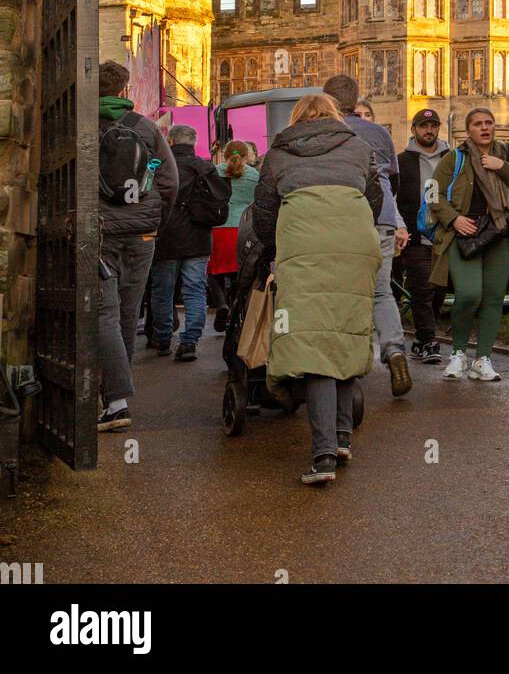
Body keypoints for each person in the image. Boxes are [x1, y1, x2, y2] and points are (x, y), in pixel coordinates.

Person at [252, 93, 382, 486]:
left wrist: (276, 249)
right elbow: (373, 199)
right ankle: (342, 437)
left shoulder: (277, 154)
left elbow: (264, 212)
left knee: (313, 343)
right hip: (356, 243)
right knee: (343, 331)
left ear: (295, 119)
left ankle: (323, 455)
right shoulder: (360, 147)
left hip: (304, 246)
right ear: (334, 115)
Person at [97, 61, 179, 431]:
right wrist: (154, 221)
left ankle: (115, 401)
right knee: (128, 313)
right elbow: (170, 181)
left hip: (100, 232)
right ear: (124, 90)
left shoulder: (84, 125)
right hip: (142, 234)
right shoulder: (145, 127)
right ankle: (119, 396)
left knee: (104, 314)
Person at [431, 108, 509, 382]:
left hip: (500, 234)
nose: (485, 127)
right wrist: (453, 219)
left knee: (493, 299)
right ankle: (457, 354)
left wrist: (503, 167)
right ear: (468, 130)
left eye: (489, 123)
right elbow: (432, 192)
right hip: (464, 236)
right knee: (468, 294)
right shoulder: (454, 158)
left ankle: (483, 358)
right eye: (478, 124)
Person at [323, 75, 412, 398]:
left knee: (340, 291)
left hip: (338, 218)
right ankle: (395, 350)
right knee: (381, 292)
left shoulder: (322, 131)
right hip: (381, 218)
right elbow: (393, 181)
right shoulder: (378, 132)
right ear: (356, 100)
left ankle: (348, 364)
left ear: (327, 100)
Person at [151, 125, 232, 360]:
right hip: (198, 237)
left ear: (171, 141)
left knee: (162, 290)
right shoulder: (205, 167)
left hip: (165, 235)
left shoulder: (160, 164)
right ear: (194, 143)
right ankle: (189, 341)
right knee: (195, 290)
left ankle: (163, 338)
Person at [395, 109, 450, 364]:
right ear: (414, 129)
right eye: (423, 126)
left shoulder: (452, 159)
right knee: (421, 288)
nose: (429, 130)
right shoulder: (402, 161)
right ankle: (428, 341)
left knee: (439, 288)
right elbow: (393, 197)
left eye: (433, 125)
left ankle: (421, 337)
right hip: (415, 235)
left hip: (446, 233)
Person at [210, 140, 260, 332]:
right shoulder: (254, 175)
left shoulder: (214, 172)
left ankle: (221, 304)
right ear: (247, 156)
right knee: (240, 273)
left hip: (218, 228)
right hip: (244, 227)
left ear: (224, 154)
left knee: (214, 272)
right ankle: (236, 308)